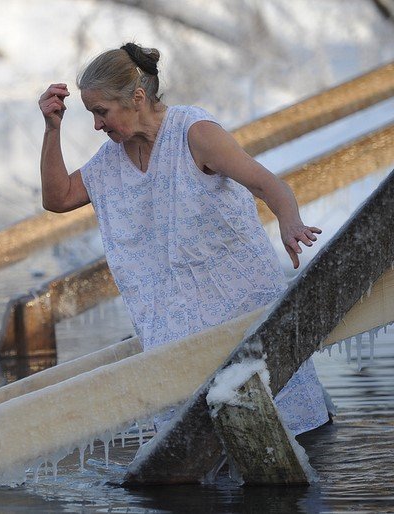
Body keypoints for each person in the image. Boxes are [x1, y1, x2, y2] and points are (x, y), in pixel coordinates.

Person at [37, 42, 329, 435]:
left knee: (286, 441)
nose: (96, 125)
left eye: (101, 112)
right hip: (174, 345)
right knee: (197, 459)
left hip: (244, 325)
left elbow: (267, 183)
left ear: (138, 98)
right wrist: (52, 130)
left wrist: (289, 221)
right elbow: (58, 198)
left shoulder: (195, 134)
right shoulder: (111, 161)